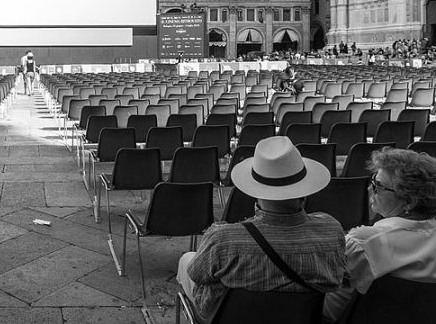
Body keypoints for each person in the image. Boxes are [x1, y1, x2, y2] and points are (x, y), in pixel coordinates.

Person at [177, 136, 346, 323]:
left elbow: (196, 273)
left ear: (255, 190)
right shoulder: (332, 232)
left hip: (227, 317)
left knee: (187, 260)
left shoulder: (223, 240)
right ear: (304, 189)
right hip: (300, 317)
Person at [323, 148, 436, 322]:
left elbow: (330, 311)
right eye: (372, 181)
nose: (370, 189)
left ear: (410, 201)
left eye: (378, 186)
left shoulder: (363, 244)